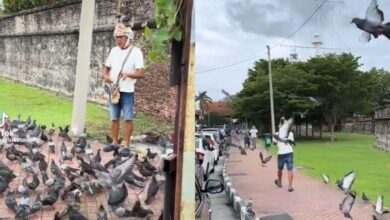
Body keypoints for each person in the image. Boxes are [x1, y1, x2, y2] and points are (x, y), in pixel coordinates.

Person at [102, 23, 144, 150]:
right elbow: (105, 70)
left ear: (128, 38)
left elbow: (141, 73)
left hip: (127, 91)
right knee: (114, 118)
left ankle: (125, 144)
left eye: (121, 37)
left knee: (128, 118)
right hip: (114, 90)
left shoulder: (136, 52)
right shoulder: (114, 51)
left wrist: (129, 74)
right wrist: (106, 76)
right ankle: (114, 142)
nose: (118, 40)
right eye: (116, 37)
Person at [274, 122, 295, 192]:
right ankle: (290, 186)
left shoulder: (277, 134)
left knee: (280, 169)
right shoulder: (290, 134)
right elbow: (292, 144)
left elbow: (274, 143)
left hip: (281, 154)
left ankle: (280, 182)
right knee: (290, 169)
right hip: (290, 153)